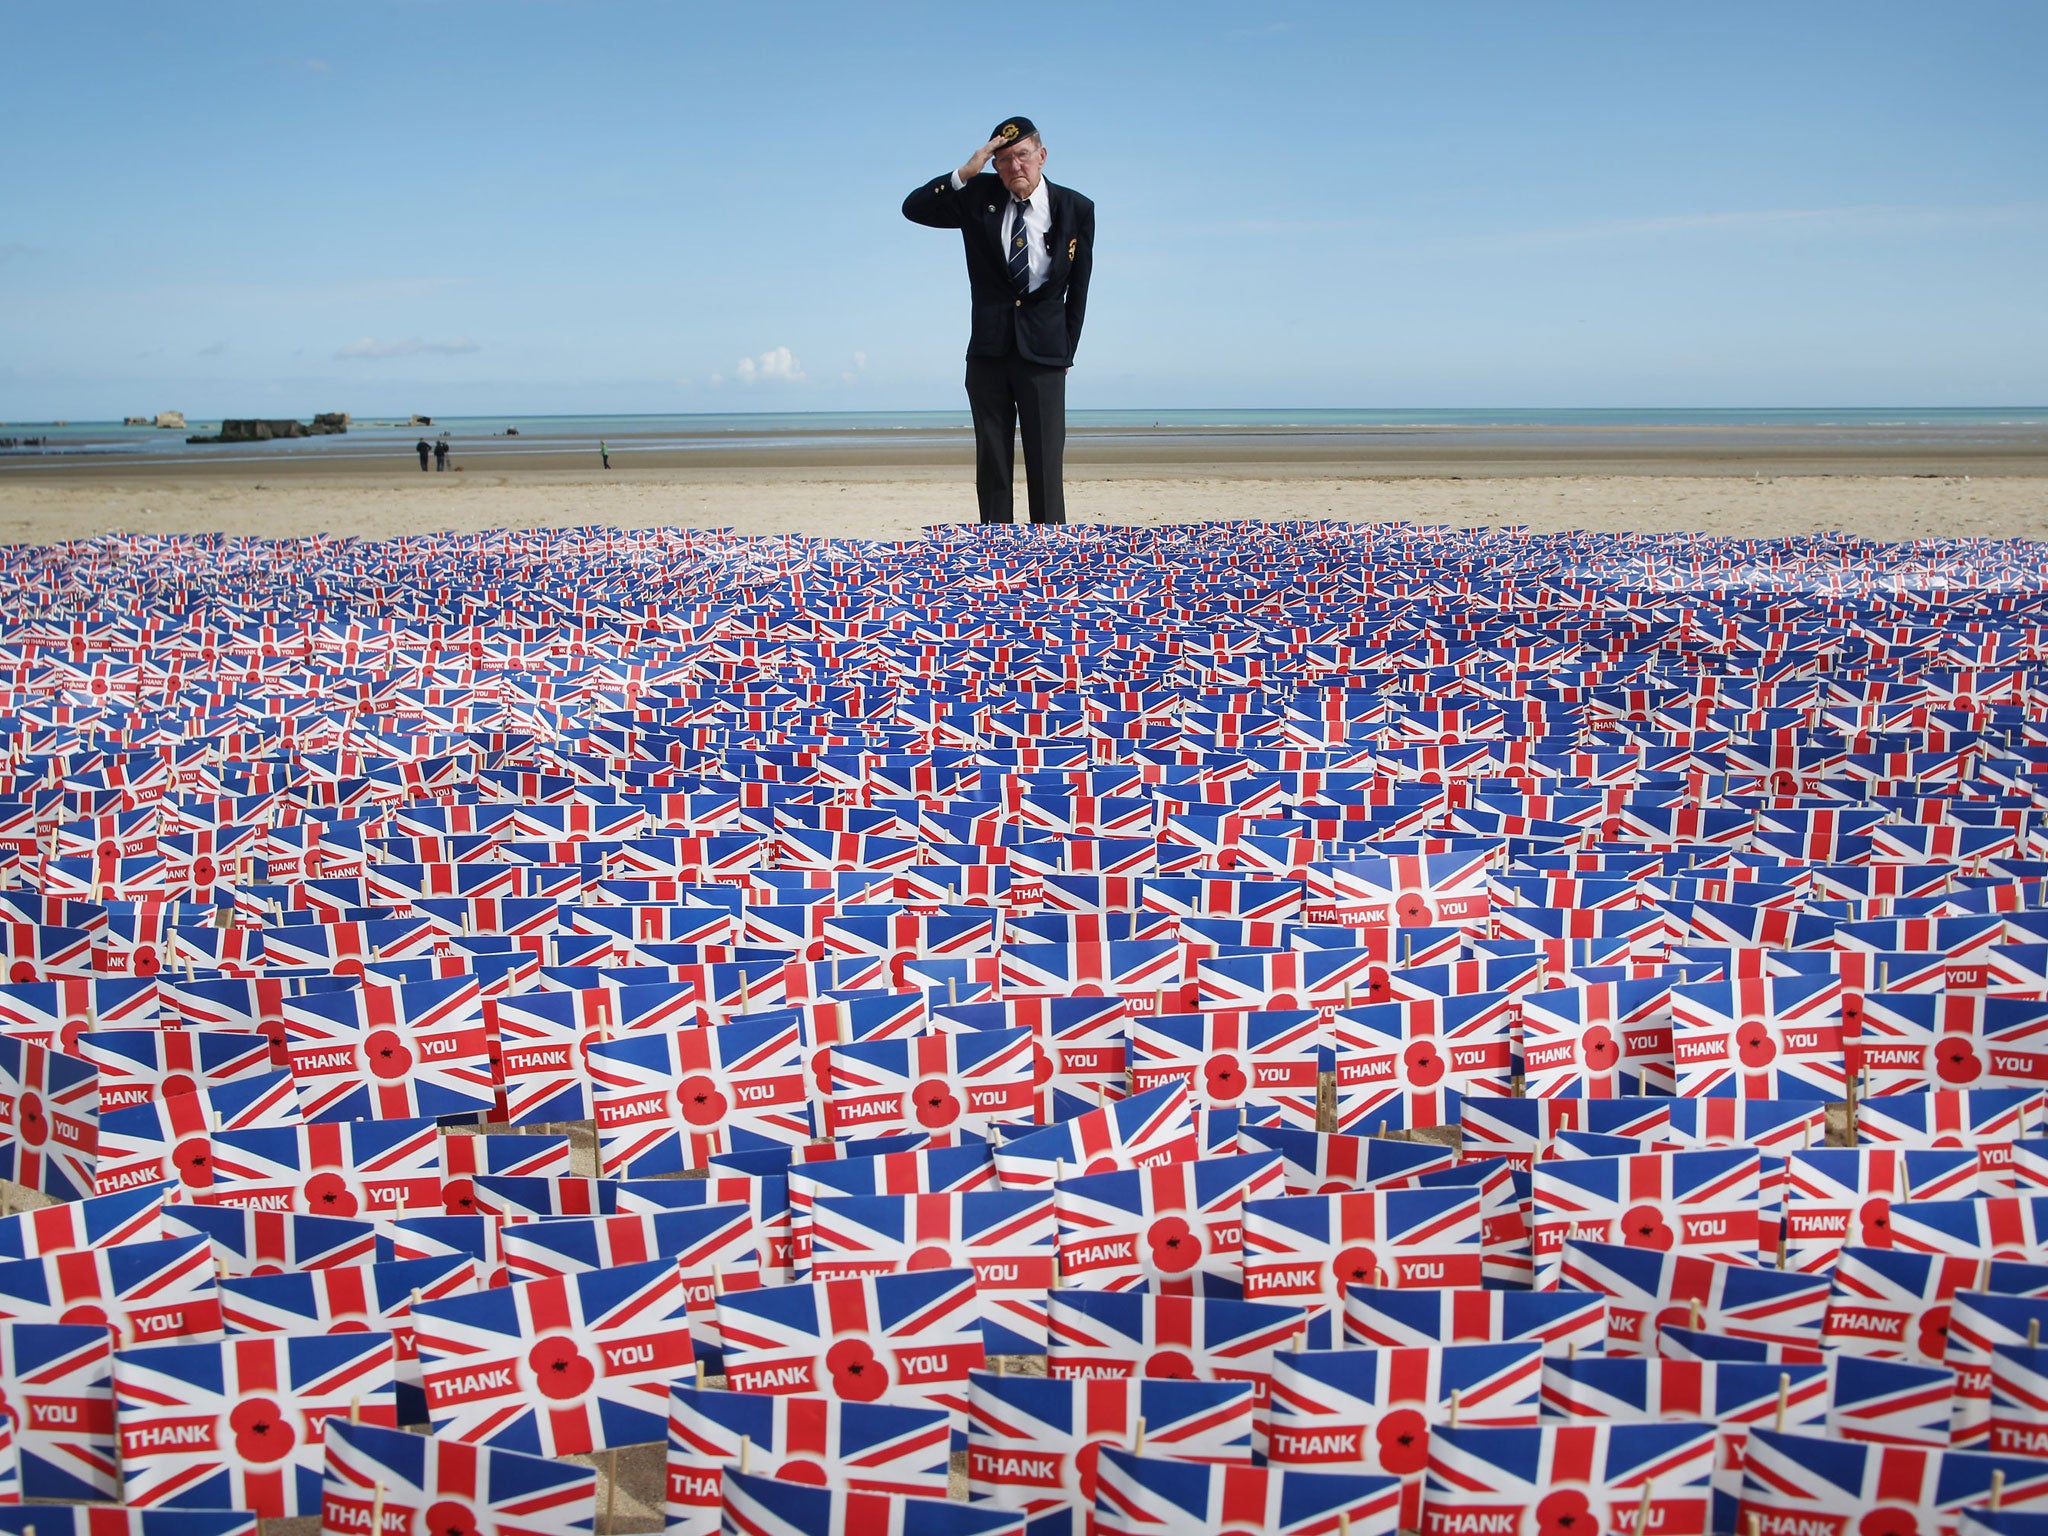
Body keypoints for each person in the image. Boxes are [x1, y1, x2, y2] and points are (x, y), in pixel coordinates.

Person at [903, 116, 1094, 526]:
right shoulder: (978, 197)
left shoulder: (1077, 208)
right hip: (989, 353)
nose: (1015, 167)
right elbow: (913, 208)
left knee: (1046, 466)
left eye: (1022, 156)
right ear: (994, 166)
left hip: (1045, 355)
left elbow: (1079, 290)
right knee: (992, 468)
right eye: (1003, 160)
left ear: (1041, 156)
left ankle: (1051, 557)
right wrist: (964, 172)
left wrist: (1065, 351)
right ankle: (995, 558)